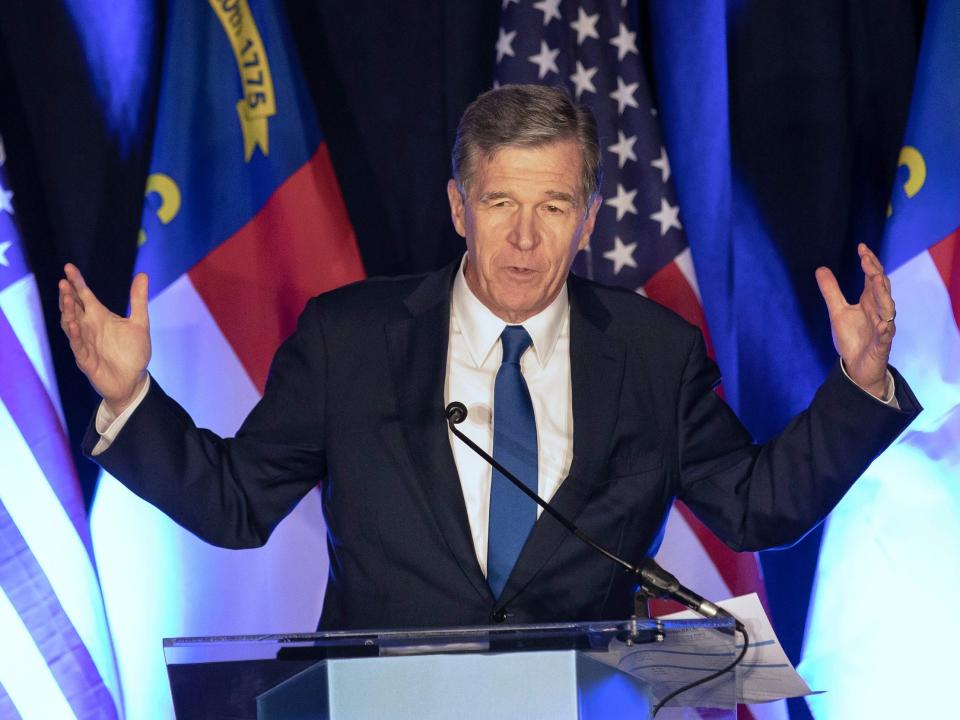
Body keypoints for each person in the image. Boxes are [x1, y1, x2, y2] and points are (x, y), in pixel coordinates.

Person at [59, 84, 919, 630]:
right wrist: (130, 397)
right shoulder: (351, 340)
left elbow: (755, 510)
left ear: (587, 219)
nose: (523, 236)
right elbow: (236, 505)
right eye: (499, 200)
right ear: (458, 207)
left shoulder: (655, 354)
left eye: (552, 206)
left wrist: (862, 384)